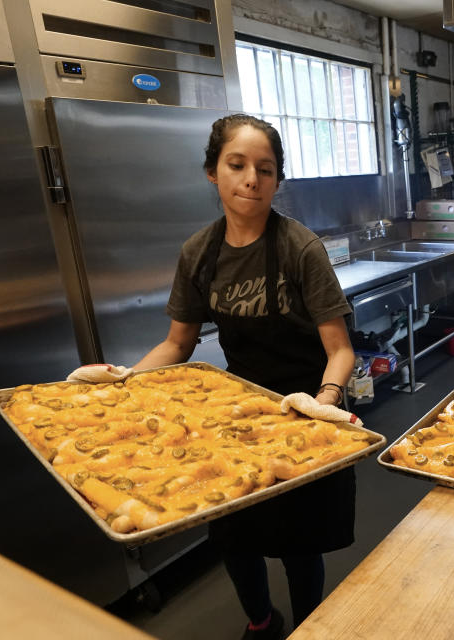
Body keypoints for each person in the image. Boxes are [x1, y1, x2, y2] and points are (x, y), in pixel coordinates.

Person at [135, 114, 356, 639]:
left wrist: (323, 402)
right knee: (234, 538)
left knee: (300, 545)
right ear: (213, 172)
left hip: (305, 410)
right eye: (237, 165)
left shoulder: (299, 248)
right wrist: (125, 380)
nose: (251, 178)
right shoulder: (200, 253)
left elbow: (341, 349)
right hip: (235, 417)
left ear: (278, 179)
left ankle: (307, 626)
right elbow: (177, 344)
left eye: (265, 168)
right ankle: (261, 622)